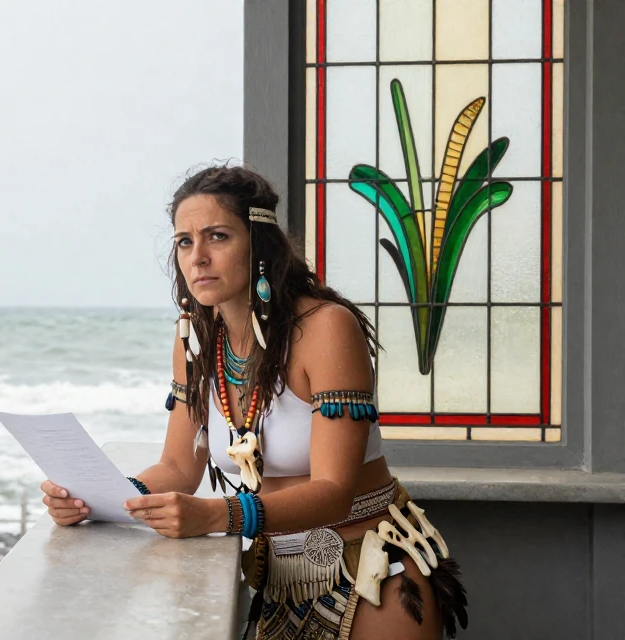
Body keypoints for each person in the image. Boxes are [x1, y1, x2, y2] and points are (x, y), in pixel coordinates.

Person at [39, 165, 467, 639]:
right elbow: (179, 467)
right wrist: (98, 498)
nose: (197, 257)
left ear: (259, 243)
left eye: (217, 236)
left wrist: (216, 515)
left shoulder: (326, 328)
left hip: (372, 575)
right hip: (276, 581)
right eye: (184, 241)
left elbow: (334, 489)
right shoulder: (194, 343)